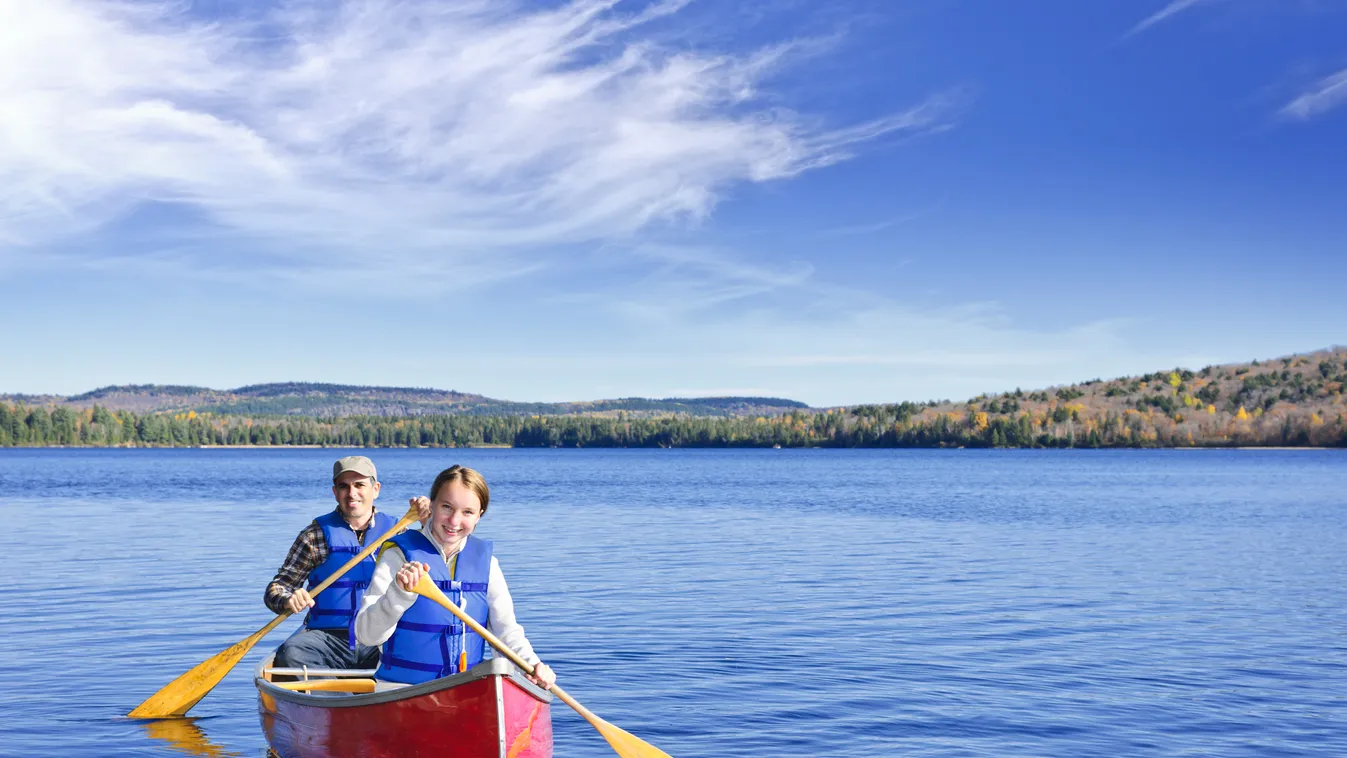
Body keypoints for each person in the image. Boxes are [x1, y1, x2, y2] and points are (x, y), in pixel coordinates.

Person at [355, 465, 556, 690]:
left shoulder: (487, 563)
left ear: (479, 516)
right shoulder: (398, 556)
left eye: (467, 512)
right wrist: (398, 594)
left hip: (464, 691)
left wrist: (532, 665)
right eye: (447, 507)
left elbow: (506, 633)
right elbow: (366, 635)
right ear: (431, 506)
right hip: (400, 690)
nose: (454, 521)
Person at [265, 455, 430, 672]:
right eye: (344, 486)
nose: (352, 493)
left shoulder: (399, 534)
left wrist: (429, 525)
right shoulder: (314, 536)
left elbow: (437, 568)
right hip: (329, 639)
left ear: (376, 489)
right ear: (335, 493)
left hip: (380, 636)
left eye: (359, 485)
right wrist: (288, 599)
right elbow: (276, 589)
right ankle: (335, 698)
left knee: (422, 650)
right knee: (291, 653)